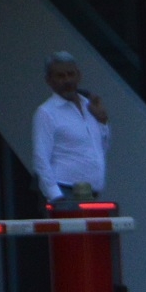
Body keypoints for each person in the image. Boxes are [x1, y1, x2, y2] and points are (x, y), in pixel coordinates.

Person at [33, 53, 110, 208]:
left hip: (91, 193)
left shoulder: (90, 106)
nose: (67, 80)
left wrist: (102, 120)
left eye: (71, 74)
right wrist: (55, 195)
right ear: (49, 80)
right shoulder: (47, 112)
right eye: (60, 76)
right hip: (65, 191)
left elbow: (101, 148)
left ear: (79, 76)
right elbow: (40, 158)